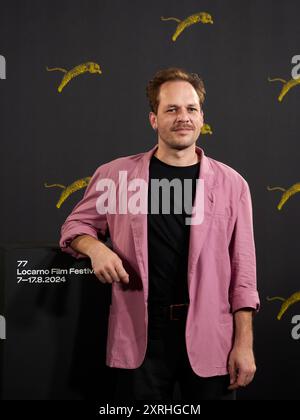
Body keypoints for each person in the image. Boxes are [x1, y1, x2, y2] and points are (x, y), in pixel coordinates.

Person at [59, 67, 260, 401]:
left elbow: (244, 274)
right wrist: (96, 249)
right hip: (141, 339)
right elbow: (75, 228)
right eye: (172, 109)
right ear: (154, 119)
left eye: (190, 109)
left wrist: (244, 345)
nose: (183, 117)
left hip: (212, 340)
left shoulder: (232, 184)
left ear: (201, 116)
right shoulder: (115, 175)